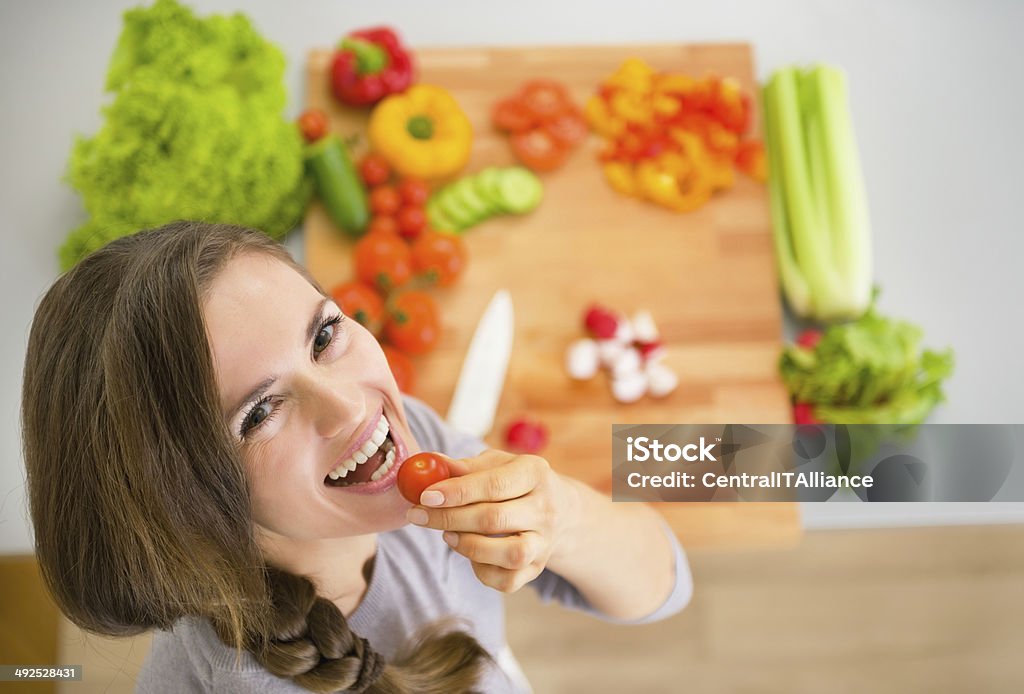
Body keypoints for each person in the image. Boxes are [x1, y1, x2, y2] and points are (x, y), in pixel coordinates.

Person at [21, 220, 693, 693]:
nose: (349, 407)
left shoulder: (414, 449)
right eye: (260, 412)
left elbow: (664, 588)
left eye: (325, 336)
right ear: (181, 499)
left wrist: (564, 517)